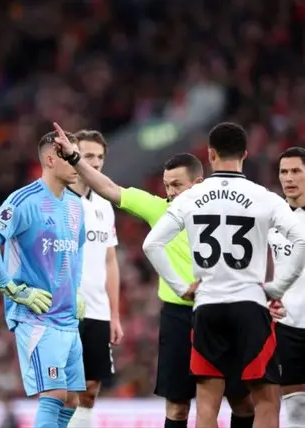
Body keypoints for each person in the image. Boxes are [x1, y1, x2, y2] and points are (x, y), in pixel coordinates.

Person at [52, 125, 254, 428]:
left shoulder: (226, 211)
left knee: (241, 400)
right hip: (178, 316)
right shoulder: (160, 210)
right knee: (177, 406)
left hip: (222, 310)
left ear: (198, 183)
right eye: (166, 185)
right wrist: (73, 157)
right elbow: (110, 188)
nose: (170, 192)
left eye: (177, 185)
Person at [142, 122, 305, 428]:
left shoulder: (190, 197)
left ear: (210, 154)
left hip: (207, 306)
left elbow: (152, 244)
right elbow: (301, 241)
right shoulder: (264, 197)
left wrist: (180, 287)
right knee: (266, 401)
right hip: (250, 305)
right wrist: (277, 288)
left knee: (207, 404)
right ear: (245, 154)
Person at [0, 125, 86, 428]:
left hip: (68, 318)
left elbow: (77, 249)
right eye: (69, 156)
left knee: (72, 400)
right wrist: (14, 290)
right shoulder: (24, 200)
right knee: (54, 394)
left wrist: (76, 289)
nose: (76, 162)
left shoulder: (76, 205)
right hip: (38, 317)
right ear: (50, 159)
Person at [64, 130, 122, 428]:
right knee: (63, 392)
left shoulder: (104, 204)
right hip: (63, 310)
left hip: (98, 311)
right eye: (88, 156)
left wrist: (115, 315)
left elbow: (110, 261)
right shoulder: (58, 200)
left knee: (89, 389)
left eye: (100, 157)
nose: (96, 163)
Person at [267, 146, 305, 428]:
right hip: (288, 324)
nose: (288, 178)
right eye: (284, 172)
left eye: (296, 171)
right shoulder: (271, 217)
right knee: (295, 408)